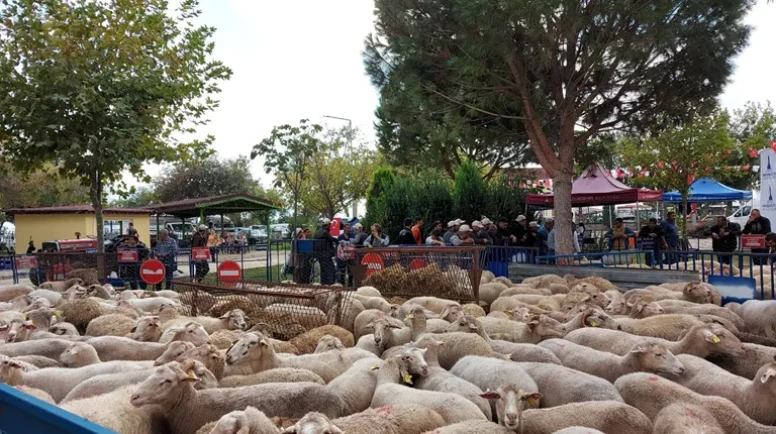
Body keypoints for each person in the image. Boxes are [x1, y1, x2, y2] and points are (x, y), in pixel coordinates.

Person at [313, 218, 338, 285]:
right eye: (330, 224)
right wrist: (338, 241)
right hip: (325, 254)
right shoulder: (325, 232)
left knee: (323, 270)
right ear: (327, 225)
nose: (330, 226)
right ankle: (330, 284)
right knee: (331, 270)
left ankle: (324, 283)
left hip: (319, 255)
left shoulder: (317, 232)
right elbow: (331, 239)